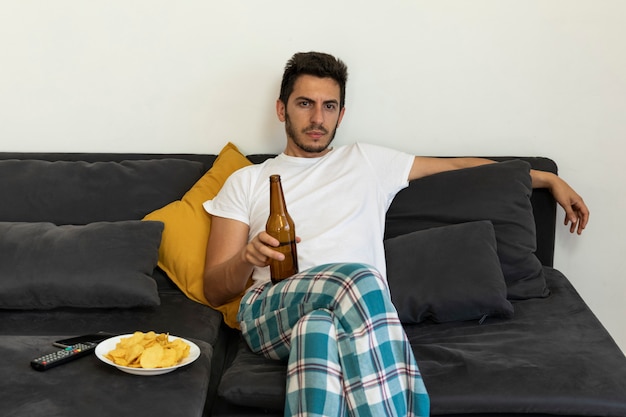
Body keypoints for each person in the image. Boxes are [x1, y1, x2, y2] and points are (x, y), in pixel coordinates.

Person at [203, 52, 589, 417]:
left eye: (329, 106)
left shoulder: (367, 161)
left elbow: (457, 167)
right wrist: (246, 258)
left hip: (344, 314)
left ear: (341, 114)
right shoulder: (248, 181)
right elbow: (214, 289)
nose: (317, 117)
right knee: (362, 278)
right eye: (305, 103)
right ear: (281, 108)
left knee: (316, 331)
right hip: (270, 307)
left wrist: (544, 178)